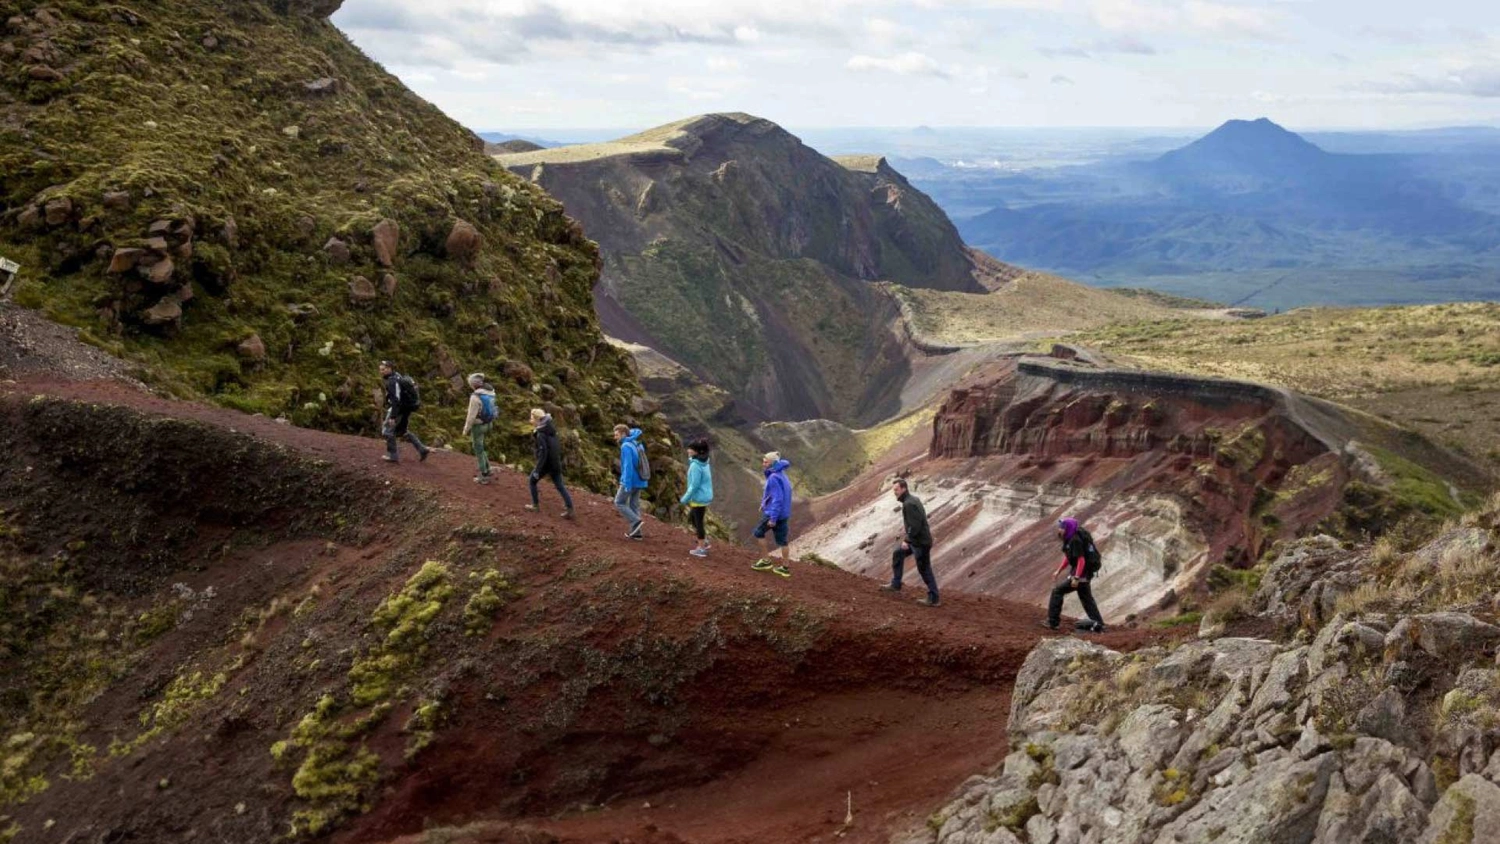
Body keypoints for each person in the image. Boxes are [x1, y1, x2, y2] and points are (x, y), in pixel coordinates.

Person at [881, 478, 939, 606]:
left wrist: (907, 540)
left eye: (896, 490)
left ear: (903, 488)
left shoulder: (909, 504)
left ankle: (934, 598)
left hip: (920, 543)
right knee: (898, 553)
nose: (894, 492)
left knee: (924, 569)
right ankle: (896, 584)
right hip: (917, 541)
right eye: (894, 490)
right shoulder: (911, 500)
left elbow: (915, 526)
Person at [1043, 517, 1106, 633]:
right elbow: (1069, 556)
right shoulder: (1070, 538)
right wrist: (1058, 570)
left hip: (1081, 574)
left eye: (1062, 528)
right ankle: (1099, 624)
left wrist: (1076, 578)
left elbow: (1081, 560)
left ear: (1068, 528)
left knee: (1057, 591)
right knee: (1086, 598)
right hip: (1084, 574)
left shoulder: (1075, 540)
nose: (1060, 530)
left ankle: (1053, 622)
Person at [751, 452, 793, 578]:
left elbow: (778, 499)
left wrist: (773, 518)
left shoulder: (774, 477)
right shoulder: (782, 474)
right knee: (783, 541)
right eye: (763, 461)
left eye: (766, 462)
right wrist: (764, 503)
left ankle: (766, 561)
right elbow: (779, 495)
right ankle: (785, 568)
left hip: (773, 514)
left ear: (773, 463)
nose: (763, 464)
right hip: (784, 514)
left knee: (758, 532)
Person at [526, 408, 574, 519]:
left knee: (532, 481)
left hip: (546, 465)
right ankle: (570, 509)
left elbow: (543, 453)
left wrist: (538, 470)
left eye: (532, 418)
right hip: (555, 463)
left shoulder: (541, 434)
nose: (530, 420)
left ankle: (535, 506)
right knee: (560, 486)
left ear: (537, 419)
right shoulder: (551, 430)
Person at [379, 360, 430, 464]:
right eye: (380, 370)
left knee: (387, 431)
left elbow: (396, 399)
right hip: (406, 409)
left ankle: (393, 455)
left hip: (398, 409)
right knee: (402, 431)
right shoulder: (398, 376)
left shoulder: (392, 381)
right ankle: (422, 449)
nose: (381, 372)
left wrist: (393, 416)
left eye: (383, 369)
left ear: (390, 369)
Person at [613, 424, 649, 540]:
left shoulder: (626, 446)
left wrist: (626, 484)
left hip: (630, 481)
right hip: (640, 480)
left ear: (623, 434)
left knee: (619, 502)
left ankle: (635, 521)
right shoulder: (636, 443)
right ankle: (637, 534)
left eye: (617, 435)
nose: (615, 437)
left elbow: (628, 466)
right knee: (634, 505)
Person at [680, 438, 714, 557]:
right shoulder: (704, 462)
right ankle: (703, 540)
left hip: (698, 498)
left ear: (697, 451)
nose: (688, 450)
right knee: (693, 519)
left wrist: (684, 499)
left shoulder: (695, 465)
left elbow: (694, 486)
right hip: (703, 496)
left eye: (691, 449)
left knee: (698, 522)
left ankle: (701, 548)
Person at [461, 373, 496, 484]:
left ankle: (484, 475)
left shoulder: (475, 397)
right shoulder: (491, 391)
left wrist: (466, 429)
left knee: (478, 448)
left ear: (473, 384)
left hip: (478, 425)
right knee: (481, 446)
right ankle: (488, 469)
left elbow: (471, 417)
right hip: (489, 423)